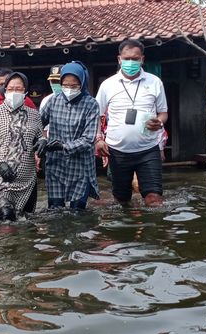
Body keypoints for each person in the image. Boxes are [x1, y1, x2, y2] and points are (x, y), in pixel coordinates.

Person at [96, 39, 168, 207]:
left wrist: (159, 122)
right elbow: (96, 115)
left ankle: (154, 232)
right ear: (119, 59)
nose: (130, 62)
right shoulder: (108, 85)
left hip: (148, 149)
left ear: (142, 59)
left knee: (154, 199)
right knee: (122, 201)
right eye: (126, 58)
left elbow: (163, 113)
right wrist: (99, 139)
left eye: (135, 59)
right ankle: (125, 232)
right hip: (117, 151)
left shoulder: (155, 82)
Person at [0, 72, 43, 221]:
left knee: (26, 227)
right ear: (5, 90)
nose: (14, 92)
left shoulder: (34, 115)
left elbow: (40, 138)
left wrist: (43, 143)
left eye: (18, 89)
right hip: (2, 180)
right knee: (6, 219)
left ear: (25, 92)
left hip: (27, 181)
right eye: (11, 88)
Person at [38, 62, 100, 210]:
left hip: (80, 166)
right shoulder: (53, 101)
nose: (69, 89)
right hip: (56, 164)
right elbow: (37, 123)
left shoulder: (91, 104)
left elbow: (88, 139)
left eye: (74, 86)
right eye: (65, 85)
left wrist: (63, 146)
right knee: (55, 209)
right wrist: (41, 139)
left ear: (82, 83)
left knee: (77, 211)